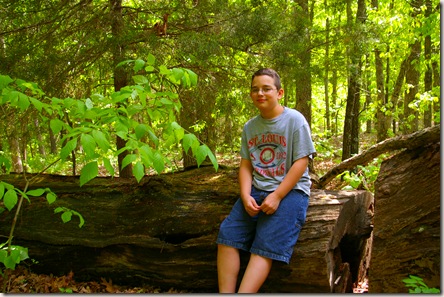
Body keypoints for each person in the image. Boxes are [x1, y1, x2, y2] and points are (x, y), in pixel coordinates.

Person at [216, 68, 316, 293]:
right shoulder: (250, 127)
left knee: (264, 246)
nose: (260, 93)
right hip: (257, 190)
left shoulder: (294, 120)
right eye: (255, 89)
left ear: (279, 93)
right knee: (227, 236)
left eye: (266, 88)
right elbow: (246, 165)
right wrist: (245, 195)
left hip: (291, 192)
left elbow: (301, 162)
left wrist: (278, 195)